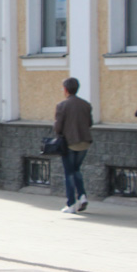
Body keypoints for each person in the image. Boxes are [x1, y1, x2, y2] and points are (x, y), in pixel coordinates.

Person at [53, 76, 92, 214]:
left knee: (69, 173)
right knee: (76, 170)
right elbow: (90, 123)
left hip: (70, 143)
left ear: (65, 89)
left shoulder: (62, 105)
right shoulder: (86, 104)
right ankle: (82, 196)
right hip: (85, 142)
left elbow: (58, 127)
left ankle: (71, 204)